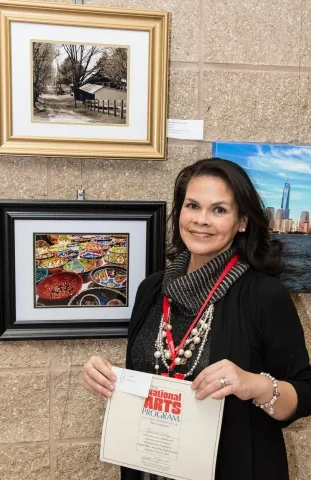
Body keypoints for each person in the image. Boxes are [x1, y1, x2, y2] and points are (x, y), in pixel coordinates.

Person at [83, 158, 311, 480]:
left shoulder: (265, 295)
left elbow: (304, 394)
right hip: (151, 466)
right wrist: (106, 380)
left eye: (219, 210)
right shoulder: (151, 289)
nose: (202, 220)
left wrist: (250, 383)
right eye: (193, 206)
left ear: (242, 221)